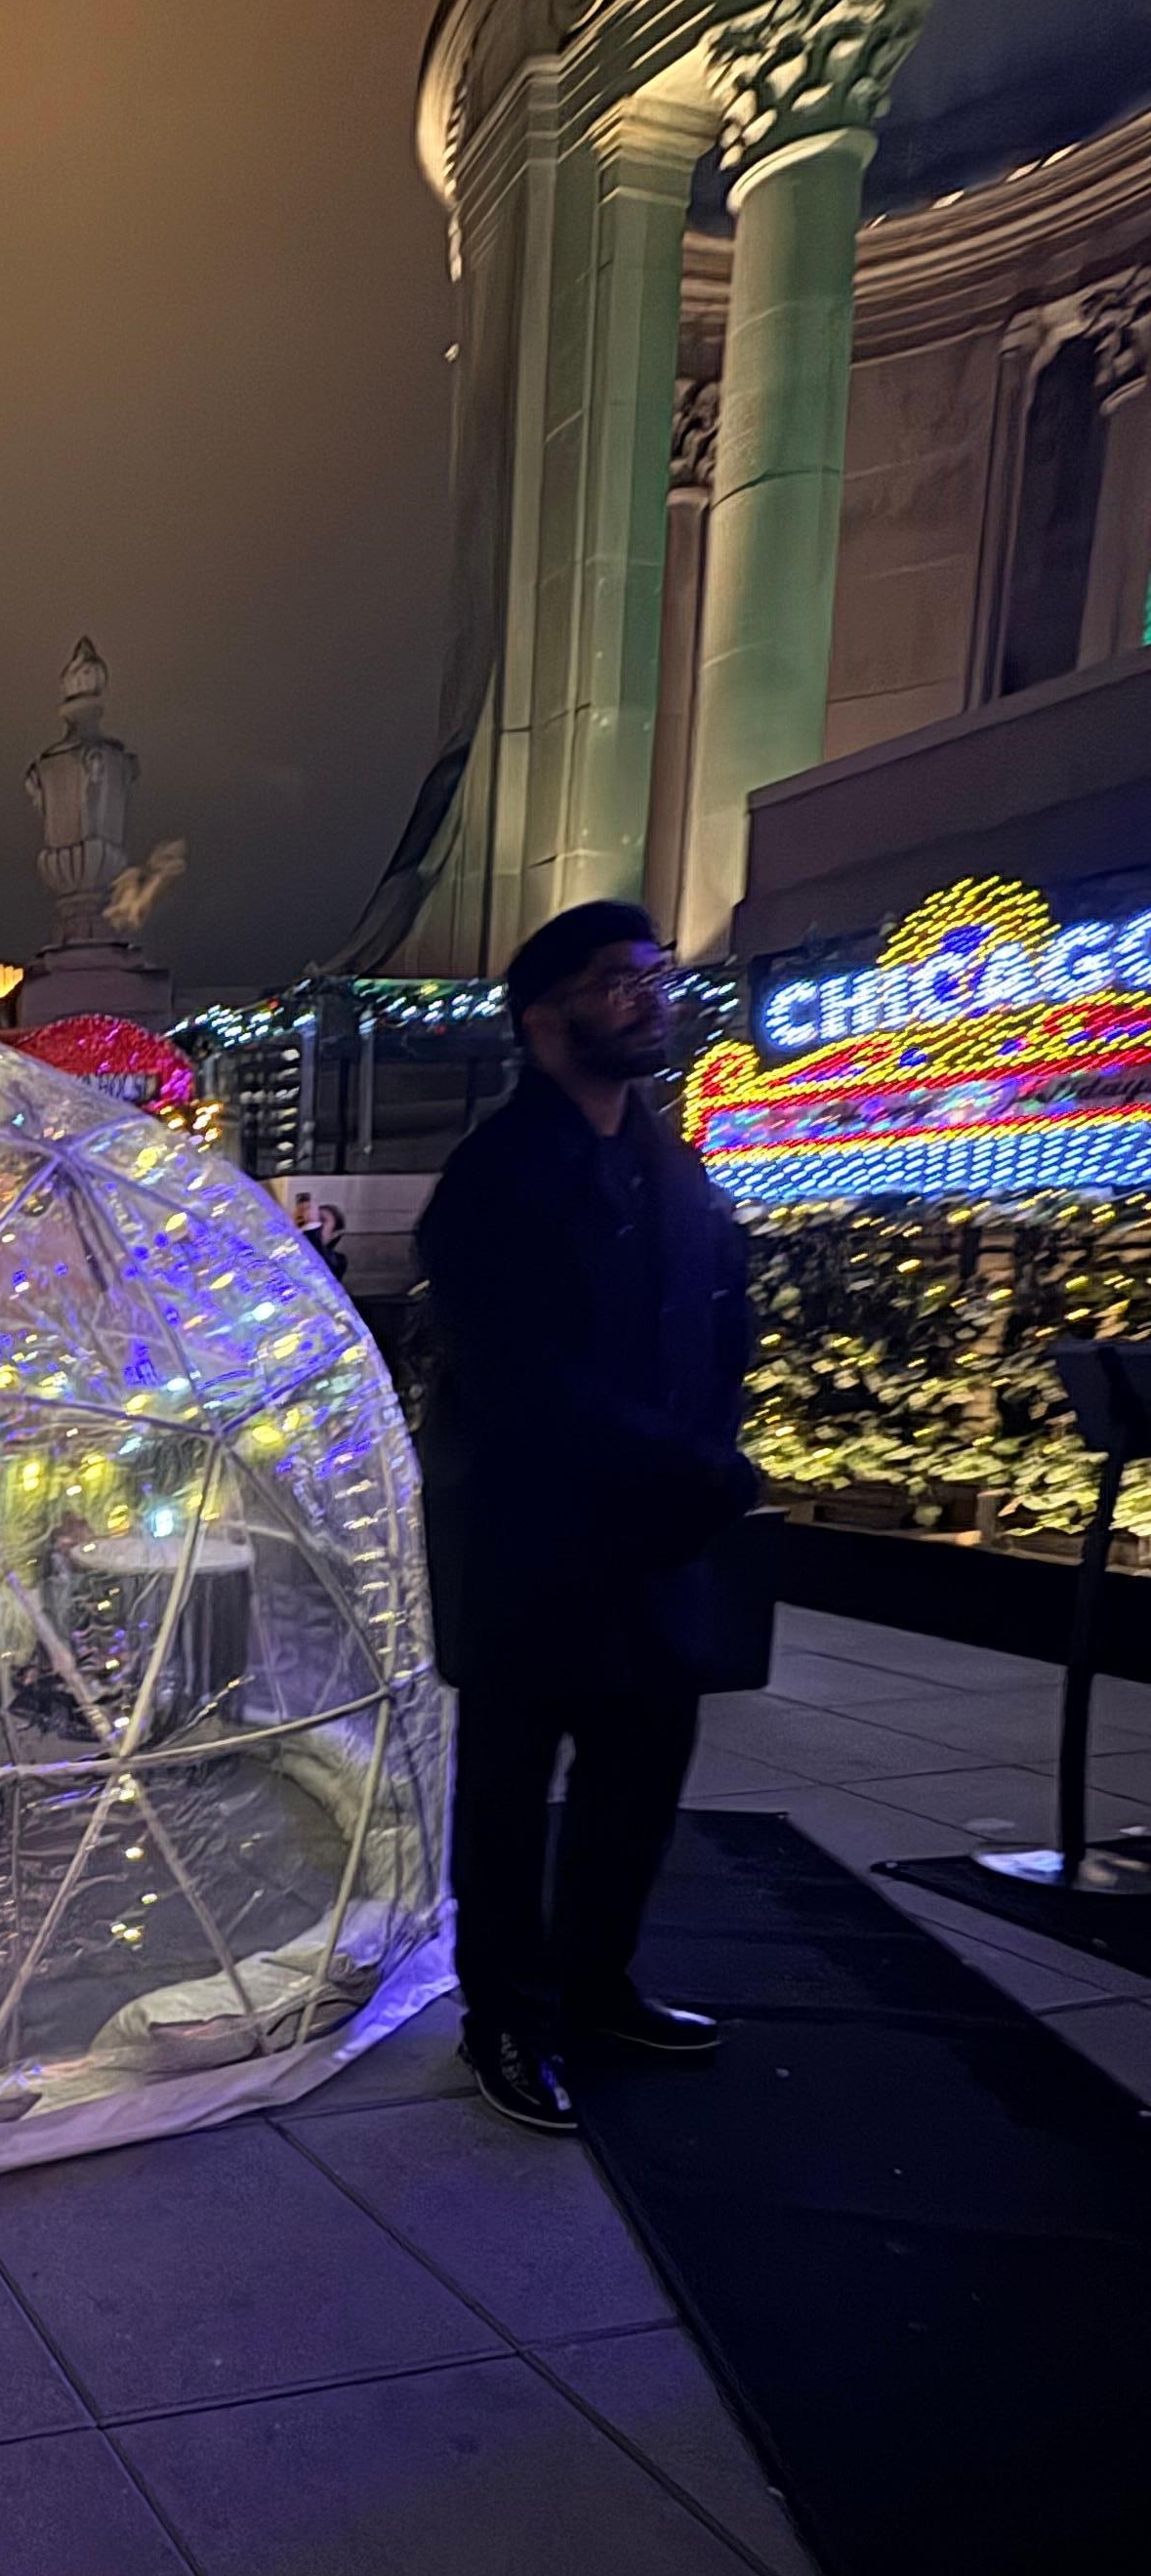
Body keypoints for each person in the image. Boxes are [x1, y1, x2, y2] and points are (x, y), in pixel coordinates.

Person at [415, 898, 755, 2135]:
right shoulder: (496, 1178)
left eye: (655, 978)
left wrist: (709, 1453)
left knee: (639, 1783)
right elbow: (521, 1379)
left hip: (657, 1544)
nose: (649, 999)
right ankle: (506, 2019)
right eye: (618, 982)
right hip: (532, 1549)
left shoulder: (670, 1163)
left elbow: (719, 1318)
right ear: (543, 1019)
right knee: (511, 1796)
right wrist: (682, 1460)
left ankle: (599, 1984)